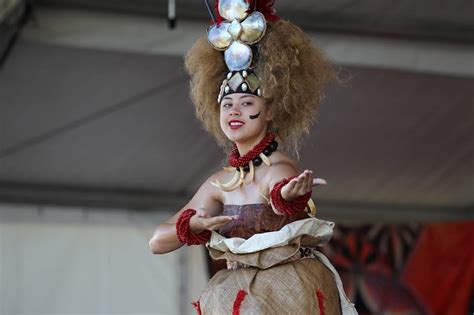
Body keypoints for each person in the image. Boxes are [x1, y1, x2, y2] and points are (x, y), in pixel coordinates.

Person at [149, 1, 357, 314]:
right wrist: (190, 227)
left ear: (270, 111)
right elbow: (157, 242)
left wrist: (287, 196)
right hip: (238, 297)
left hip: (288, 296)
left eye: (247, 103)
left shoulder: (279, 166)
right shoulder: (220, 183)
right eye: (227, 104)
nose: (234, 111)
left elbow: (279, 188)